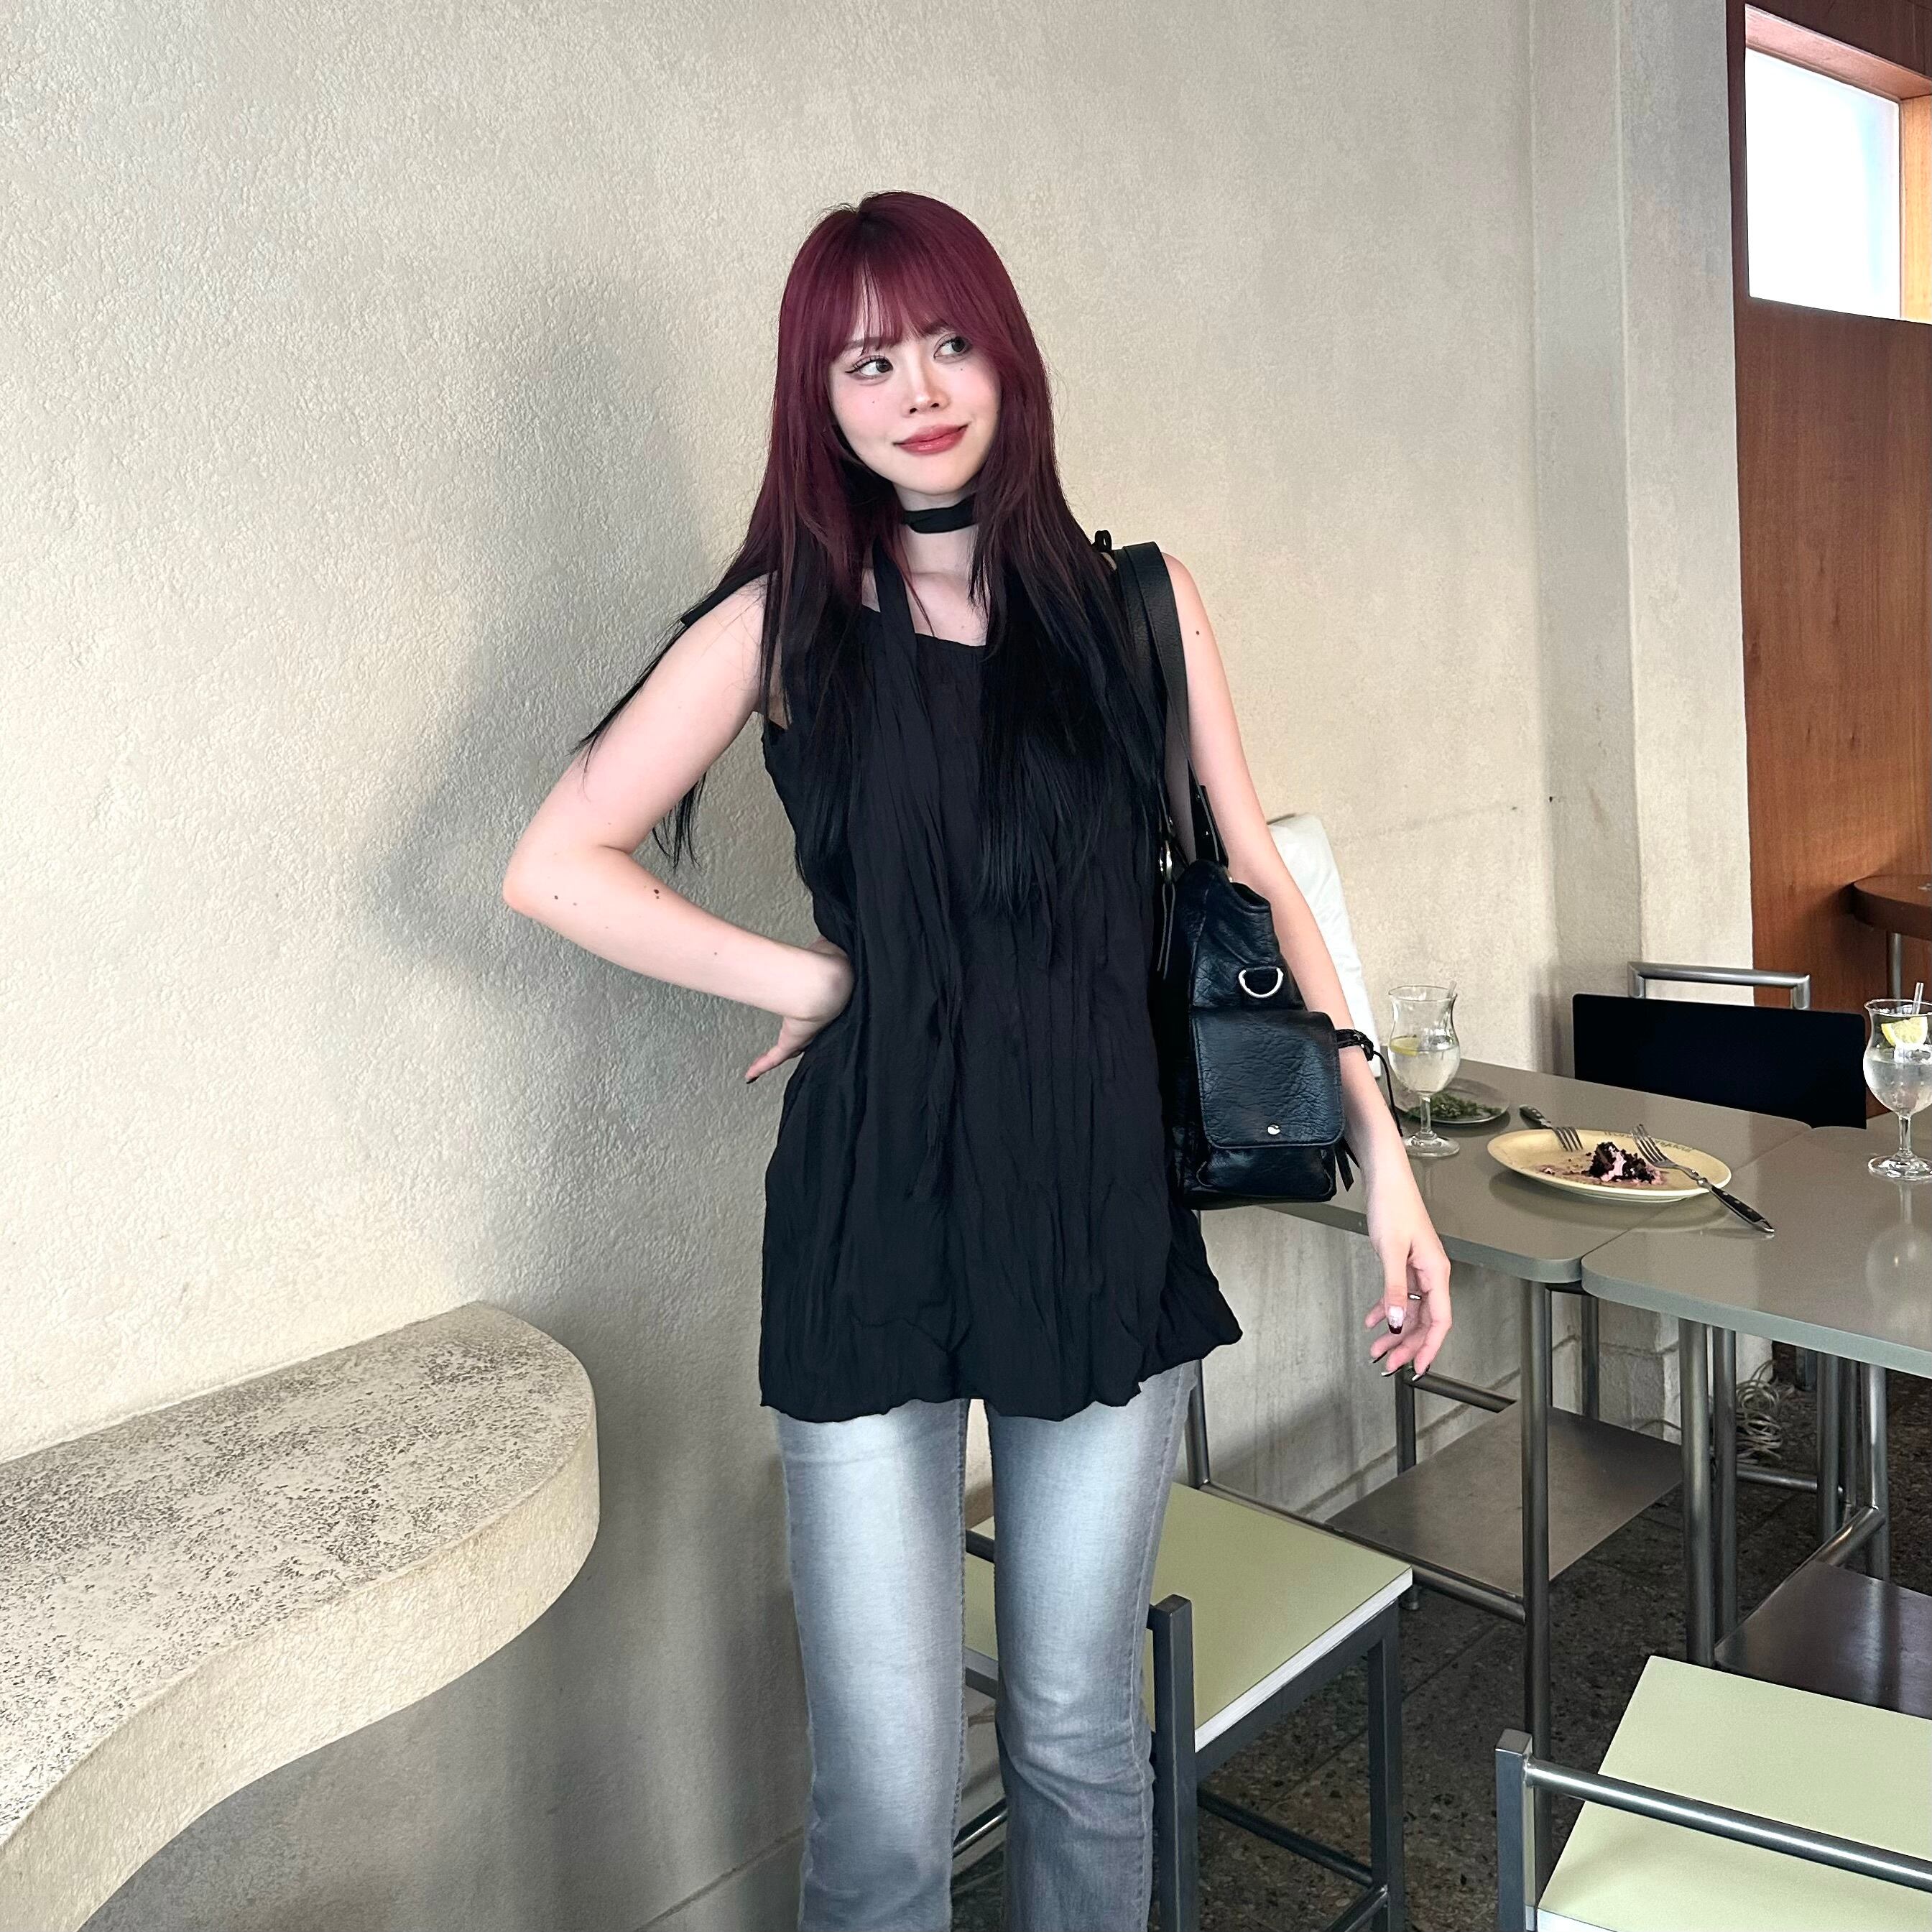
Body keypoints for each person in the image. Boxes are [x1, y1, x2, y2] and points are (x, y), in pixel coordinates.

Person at [502, 190, 1452, 1932]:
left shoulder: (1138, 606)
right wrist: (804, 970)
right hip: (870, 1219)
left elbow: (1253, 873)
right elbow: (555, 862)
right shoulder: (783, 623)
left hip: (1093, 1210)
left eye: (948, 343)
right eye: (869, 361)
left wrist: (1381, 1151)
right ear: (819, 396)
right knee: (883, 1799)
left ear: (1006, 356)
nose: (919, 391)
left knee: (1080, 1738)